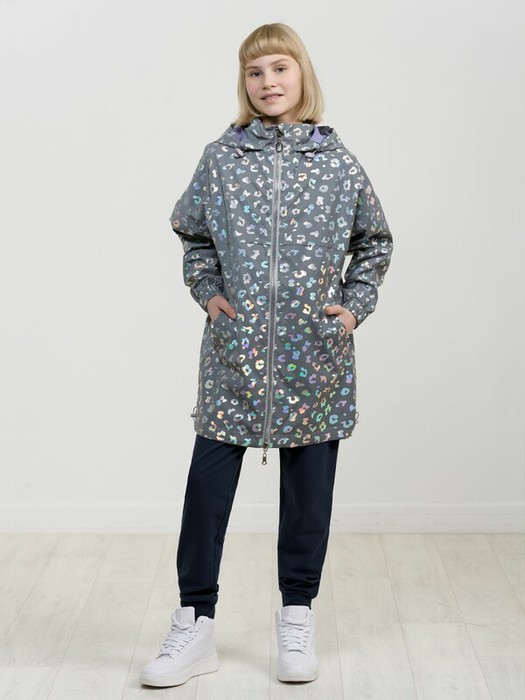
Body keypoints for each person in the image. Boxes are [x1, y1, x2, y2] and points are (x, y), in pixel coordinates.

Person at [140, 22, 393, 688]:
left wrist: (354, 305)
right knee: (207, 488)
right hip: (236, 353)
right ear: (243, 82)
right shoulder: (221, 158)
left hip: (315, 355)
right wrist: (208, 292)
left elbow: (374, 241)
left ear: (302, 74)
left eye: (279, 68)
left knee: (308, 496)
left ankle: (296, 615)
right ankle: (194, 622)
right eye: (254, 72)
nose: (267, 82)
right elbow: (192, 234)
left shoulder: (337, 162)